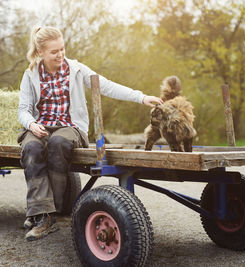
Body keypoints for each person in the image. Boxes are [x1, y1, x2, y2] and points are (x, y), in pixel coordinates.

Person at [17, 26, 163, 241]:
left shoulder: (76, 69)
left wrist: (141, 97)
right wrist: (30, 124)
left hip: (70, 128)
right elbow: (23, 109)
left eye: (62, 49)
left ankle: (46, 213)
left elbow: (107, 86)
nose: (60, 55)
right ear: (40, 53)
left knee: (58, 143)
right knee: (31, 148)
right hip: (39, 126)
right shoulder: (30, 74)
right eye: (54, 52)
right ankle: (41, 214)